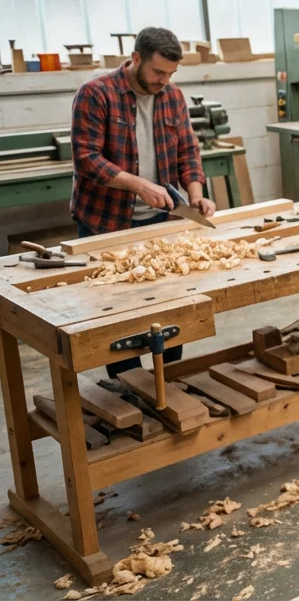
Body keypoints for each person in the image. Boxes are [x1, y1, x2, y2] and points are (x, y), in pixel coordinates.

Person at [71, 26, 214, 378]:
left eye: (171, 74)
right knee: (119, 314)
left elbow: (187, 150)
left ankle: (169, 380)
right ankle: (127, 387)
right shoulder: (96, 94)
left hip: (159, 221)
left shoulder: (172, 96)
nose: (164, 81)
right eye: (158, 72)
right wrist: (138, 186)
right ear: (136, 59)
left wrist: (195, 193)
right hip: (106, 221)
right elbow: (86, 158)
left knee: (170, 306)